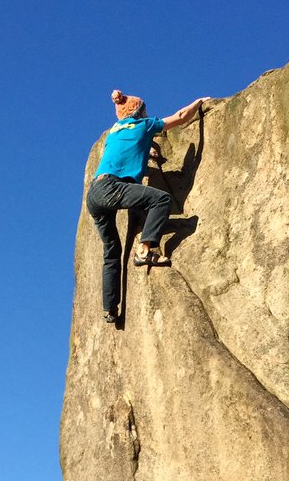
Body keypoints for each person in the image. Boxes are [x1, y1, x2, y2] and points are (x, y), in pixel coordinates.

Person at [87, 89, 208, 324]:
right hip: (113, 187)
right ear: (140, 112)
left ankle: (110, 308)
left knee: (111, 251)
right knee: (160, 199)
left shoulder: (114, 132)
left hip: (95, 194)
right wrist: (198, 102)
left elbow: (126, 150)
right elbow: (181, 116)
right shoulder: (145, 125)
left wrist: (148, 151)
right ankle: (144, 250)